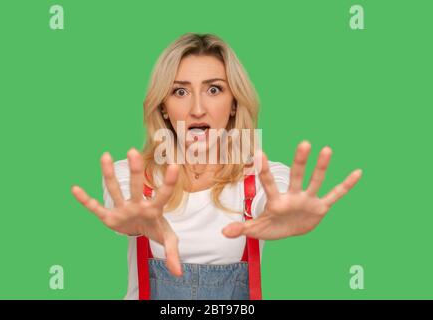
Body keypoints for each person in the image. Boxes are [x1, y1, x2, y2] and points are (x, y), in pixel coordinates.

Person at [71, 33, 362, 300]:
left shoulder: (261, 177)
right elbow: (123, 204)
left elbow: (279, 197)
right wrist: (133, 221)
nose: (198, 108)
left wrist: (289, 210)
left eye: (213, 89)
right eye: (180, 92)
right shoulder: (132, 176)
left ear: (234, 102)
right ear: (163, 107)